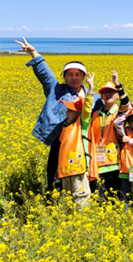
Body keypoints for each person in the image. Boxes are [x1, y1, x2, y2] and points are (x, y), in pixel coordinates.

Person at [15, 37, 88, 193]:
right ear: (64, 77)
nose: (74, 78)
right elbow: (45, 75)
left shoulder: (92, 96)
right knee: (55, 173)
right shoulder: (57, 90)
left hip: (83, 141)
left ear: (83, 77)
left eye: (77, 74)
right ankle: (54, 200)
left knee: (82, 172)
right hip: (60, 140)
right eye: (70, 74)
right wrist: (34, 53)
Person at [57, 72, 97, 207]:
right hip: (65, 170)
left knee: (81, 198)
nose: (67, 112)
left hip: (78, 169)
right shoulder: (64, 127)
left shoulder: (82, 124)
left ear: (78, 113)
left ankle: (82, 221)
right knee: (68, 199)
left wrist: (90, 90)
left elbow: (87, 110)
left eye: (70, 110)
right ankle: (70, 223)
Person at [89, 71, 131, 198]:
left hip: (114, 163)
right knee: (100, 199)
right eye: (104, 92)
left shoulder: (120, 113)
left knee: (113, 198)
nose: (108, 94)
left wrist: (118, 84)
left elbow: (126, 103)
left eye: (112, 92)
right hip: (97, 164)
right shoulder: (95, 114)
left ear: (118, 96)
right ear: (101, 96)